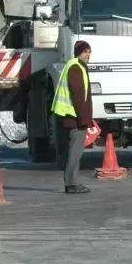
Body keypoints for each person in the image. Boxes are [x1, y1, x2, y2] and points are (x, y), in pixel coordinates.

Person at [51, 40, 94, 194]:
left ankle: (73, 182)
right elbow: (78, 96)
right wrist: (84, 119)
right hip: (74, 117)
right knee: (75, 152)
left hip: (74, 116)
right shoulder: (76, 68)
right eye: (85, 52)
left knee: (75, 151)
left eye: (89, 52)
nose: (88, 55)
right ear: (78, 53)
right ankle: (71, 183)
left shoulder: (76, 66)